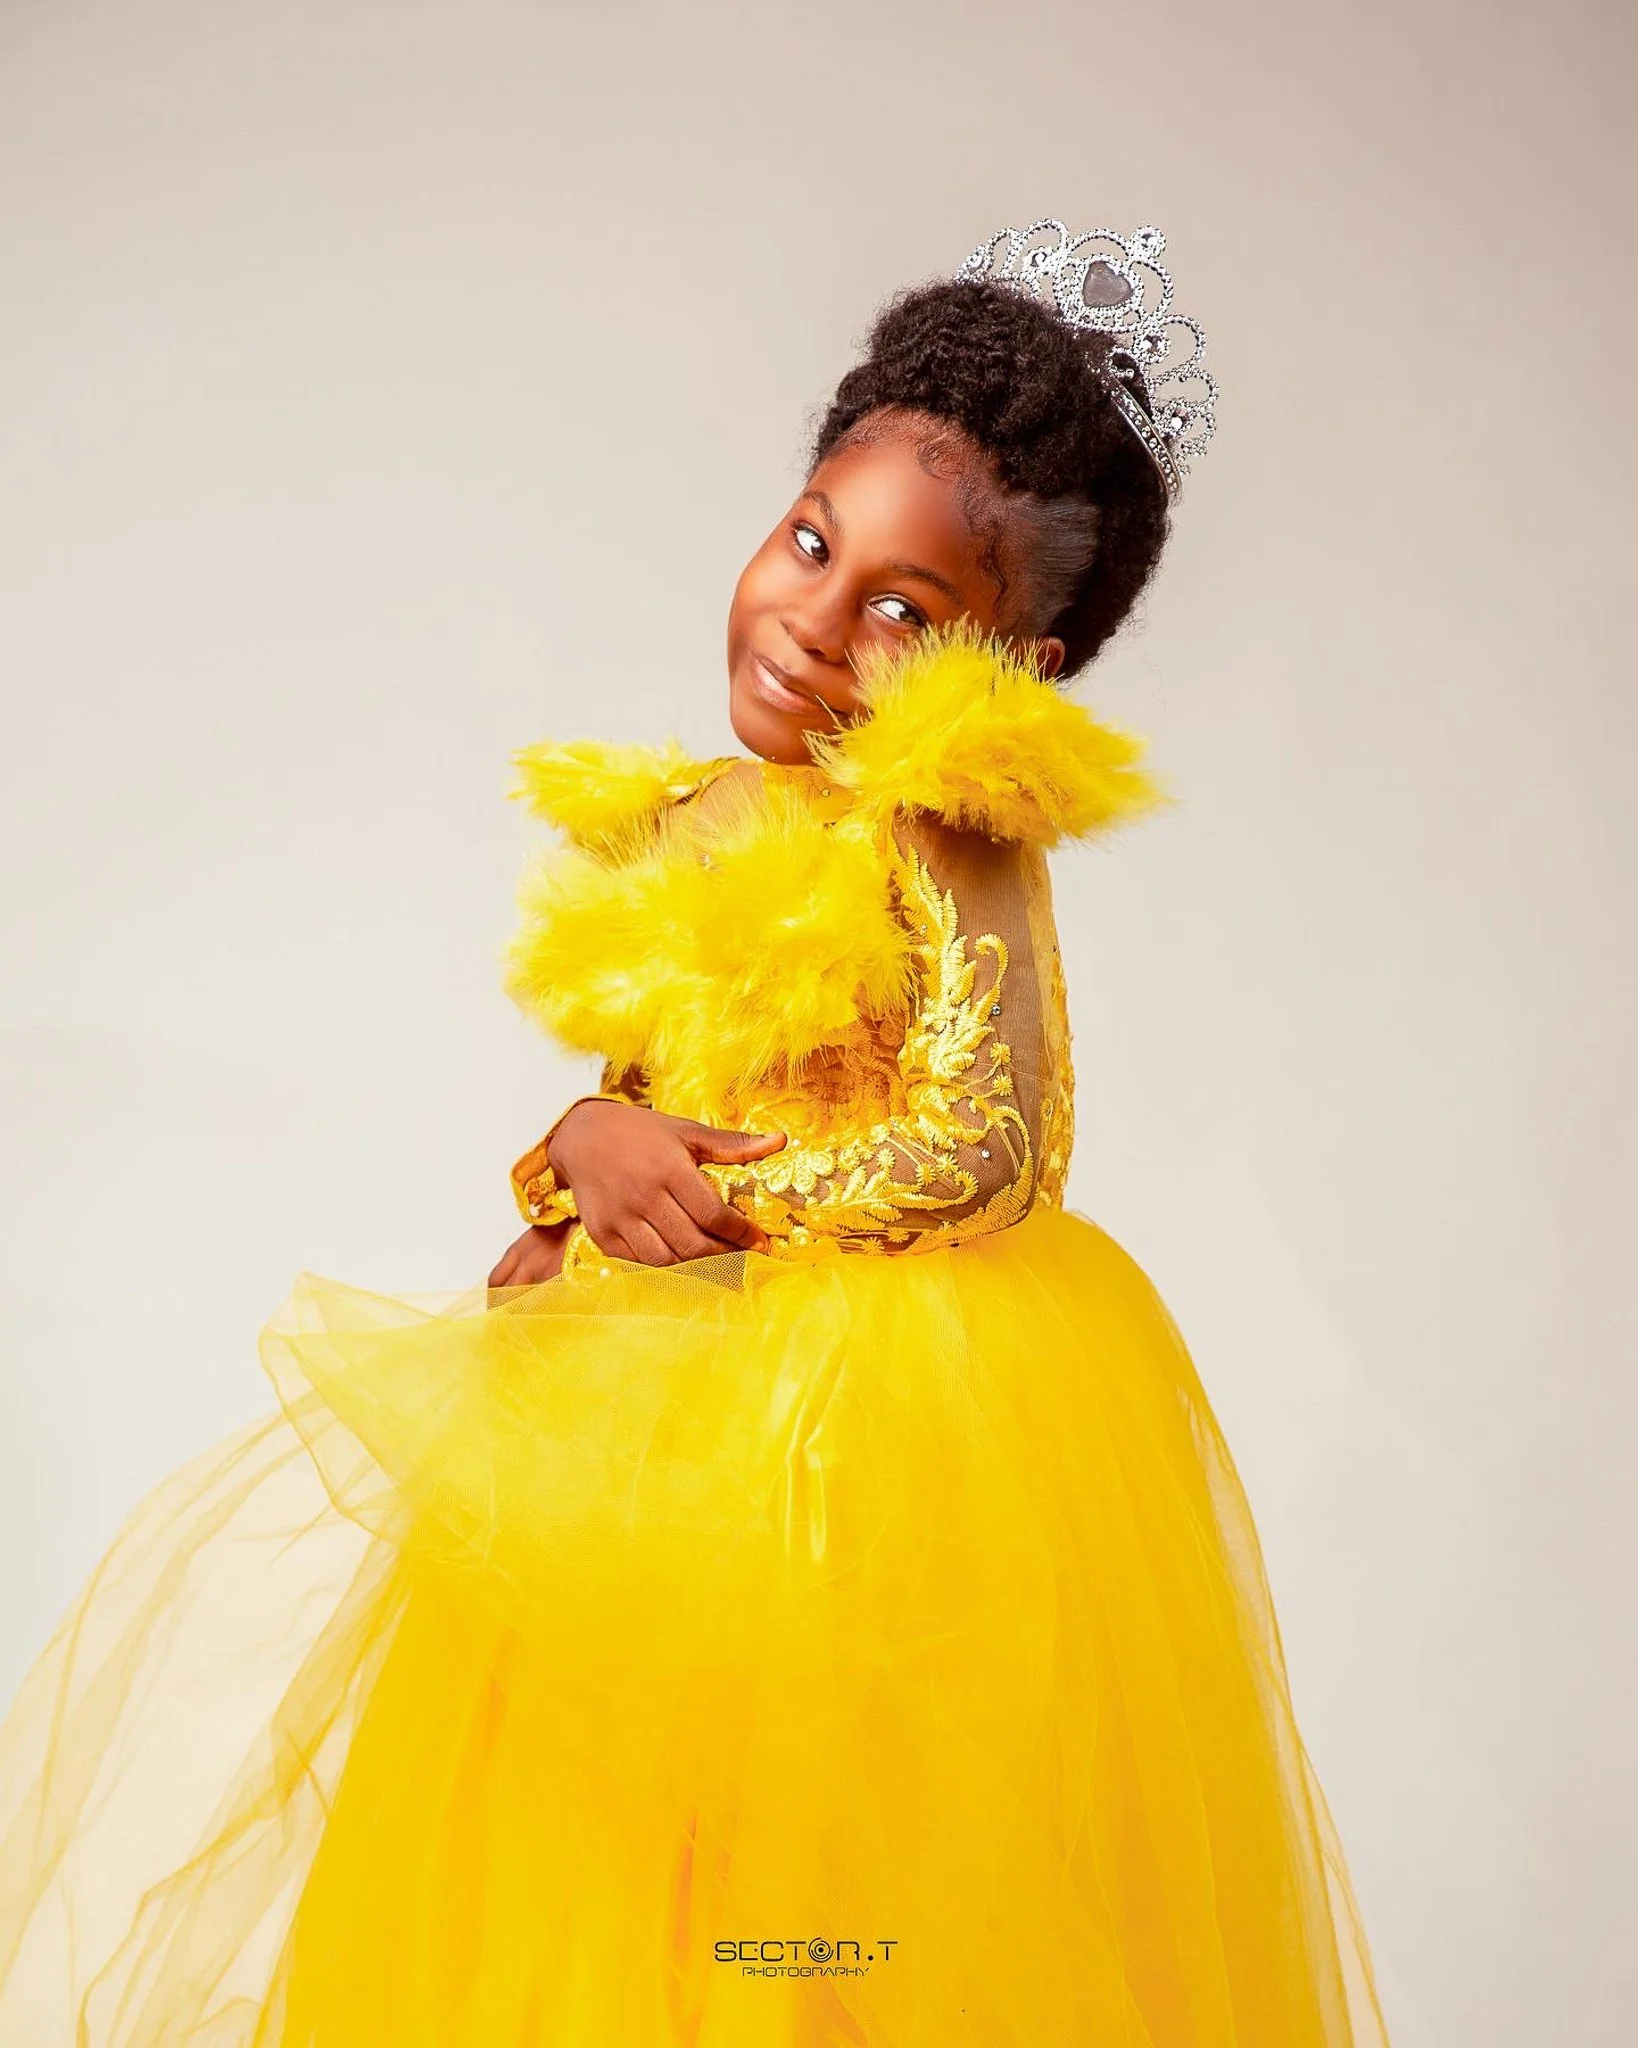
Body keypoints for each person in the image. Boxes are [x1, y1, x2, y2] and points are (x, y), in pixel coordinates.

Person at [0, 222, 1391, 2045]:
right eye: (812, 540)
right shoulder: (685, 814)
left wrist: (706, 1218)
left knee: (822, 1892)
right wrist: (574, 1154)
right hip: (630, 1418)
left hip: (879, 1440)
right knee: (591, 1858)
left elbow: (985, 1145)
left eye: (904, 609)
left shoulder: (947, 824)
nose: (814, 620)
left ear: (1013, 666)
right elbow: (649, 1099)